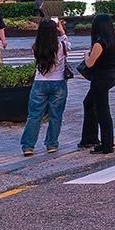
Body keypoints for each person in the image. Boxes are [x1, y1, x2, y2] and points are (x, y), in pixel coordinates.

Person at [20, 18, 71, 156]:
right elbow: (67, 42)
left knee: (34, 116)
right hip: (58, 83)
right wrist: (62, 32)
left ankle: (28, 146)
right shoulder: (62, 45)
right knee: (56, 115)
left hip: (40, 83)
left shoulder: (36, 46)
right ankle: (52, 144)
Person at [79, 14, 115, 154]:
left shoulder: (100, 43)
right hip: (111, 75)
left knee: (102, 111)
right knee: (89, 103)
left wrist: (86, 55)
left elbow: (90, 63)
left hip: (100, 79)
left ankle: (107, 145)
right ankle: (90, 138)